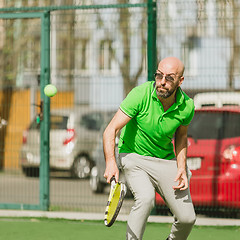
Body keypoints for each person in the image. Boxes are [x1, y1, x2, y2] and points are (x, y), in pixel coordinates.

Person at [103, 56, 196, 240]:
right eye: (159, 75)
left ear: (180, 81)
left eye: (169, 78)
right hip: (133, 155)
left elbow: (181, 136)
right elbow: (110, 130)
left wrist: (181, 168)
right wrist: (111, 163)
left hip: (165, 159)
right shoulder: (140, 94)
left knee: (187, 218)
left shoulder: (187, 106)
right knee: (145, 199)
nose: (162, 82)